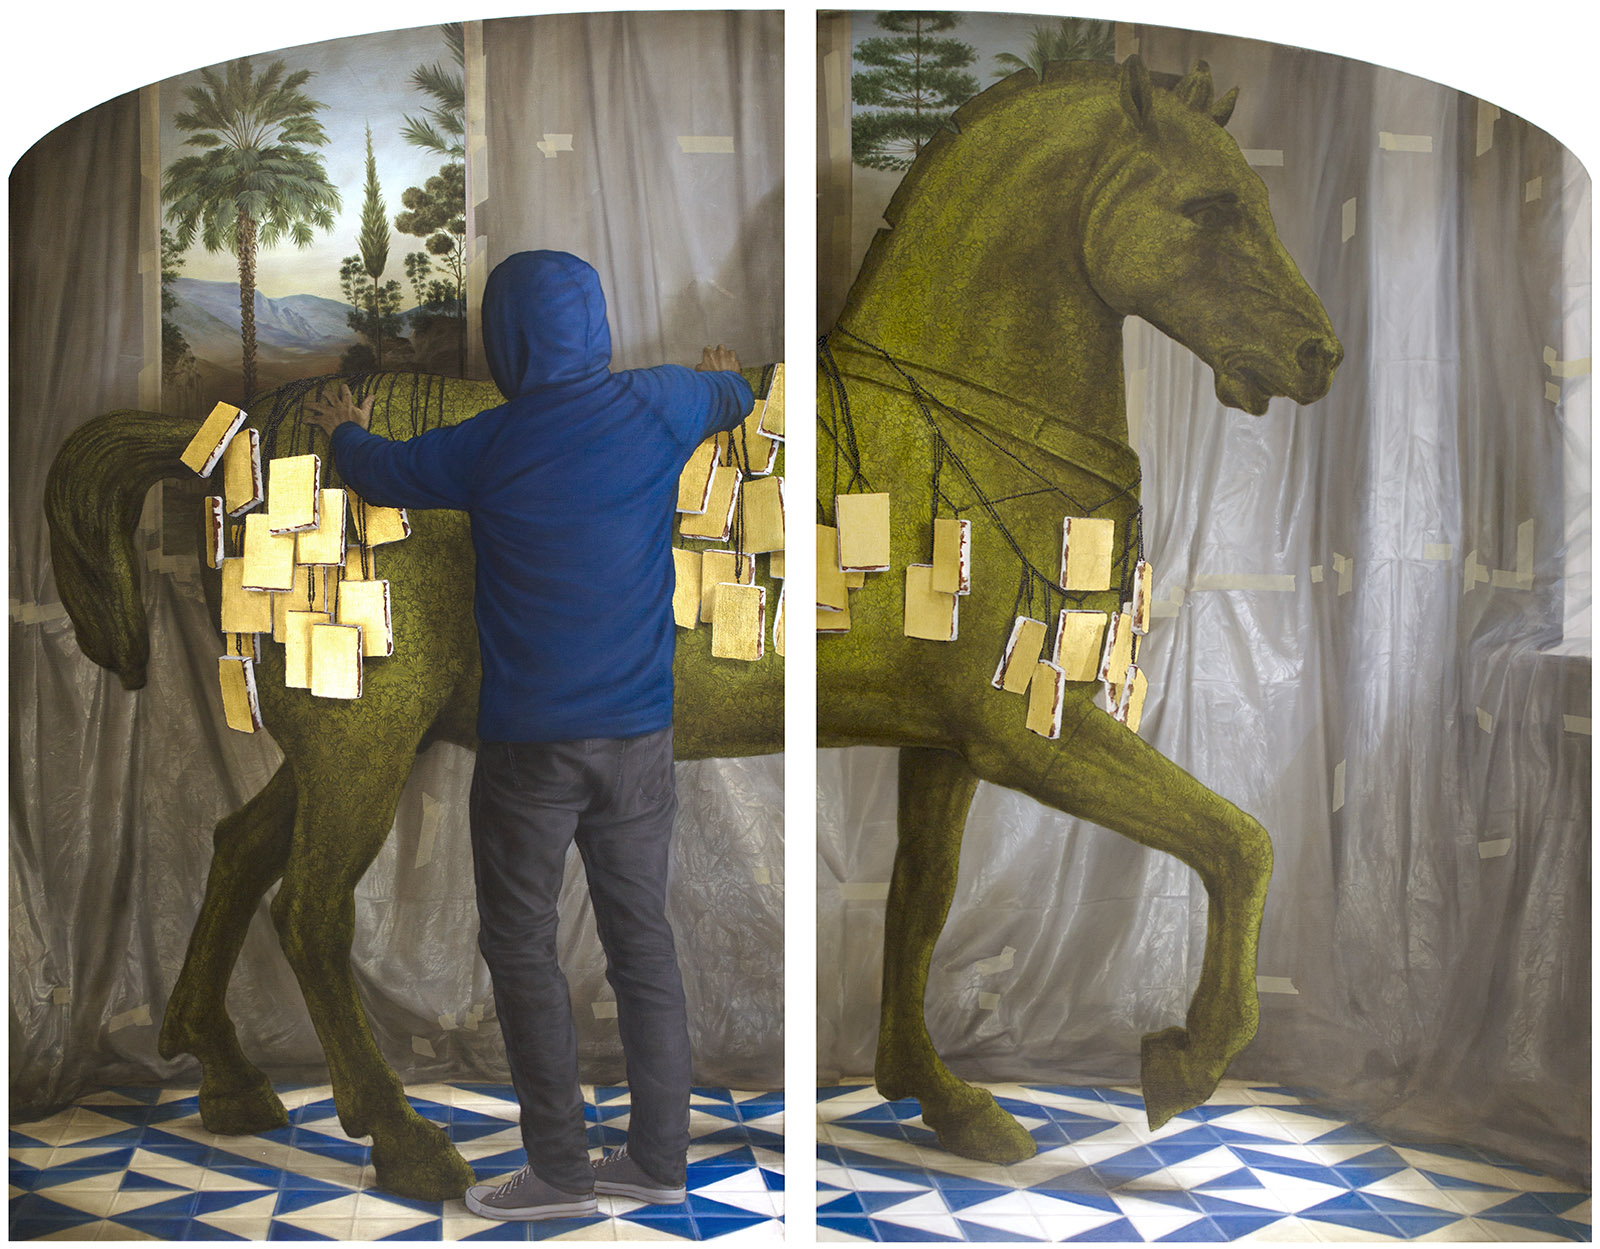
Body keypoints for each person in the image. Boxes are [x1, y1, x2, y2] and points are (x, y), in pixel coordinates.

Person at [304, 249, 753, 1221]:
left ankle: (558, 1173)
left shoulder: (488, 444)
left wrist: (342, 430)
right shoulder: (663, 403)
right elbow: (734, 394)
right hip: (640, 742)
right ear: (596, 326)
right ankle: (658, 1160)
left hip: (529, 754)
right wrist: (720, 378)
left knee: (520, 946)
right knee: (643, 944)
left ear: (507, 341)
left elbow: (381, 472)